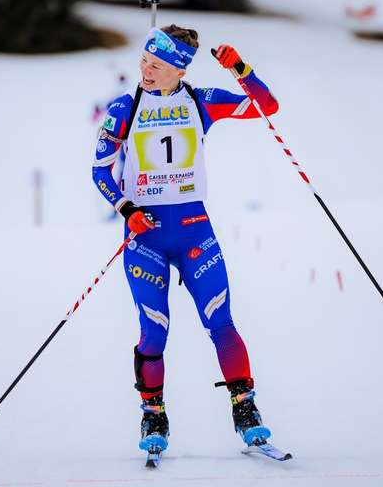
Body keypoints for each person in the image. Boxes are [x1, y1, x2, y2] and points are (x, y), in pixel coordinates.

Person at [91, 25, 280, 457]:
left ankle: (245, 409)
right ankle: (153, 413)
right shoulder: (124, 107)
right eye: (144, 61)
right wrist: (126, 208)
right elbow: (100, 170)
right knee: (154, 331)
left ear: (179, 70)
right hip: (146, 237)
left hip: (195, 230)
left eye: (157, 66)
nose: (145, 71)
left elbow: (267, 107)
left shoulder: (201, 101)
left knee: (221, 321)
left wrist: (239, 68)